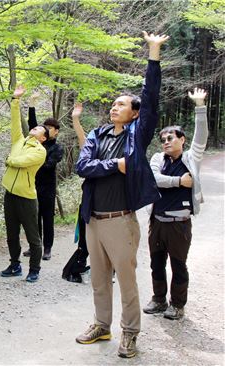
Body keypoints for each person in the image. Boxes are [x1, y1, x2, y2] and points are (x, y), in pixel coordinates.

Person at [74, 32, 169, 358]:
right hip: (93, 220)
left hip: (120, 220)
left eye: (122, 105)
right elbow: (82, 166)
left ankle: (130, 334)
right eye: (113, 104)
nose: (115, 108)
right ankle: (102, 325)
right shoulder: (98, 135)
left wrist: (153, 54)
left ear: (135, 114)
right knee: (99, 279)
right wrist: (115, 164)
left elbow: (151, 95)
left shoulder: (137, 135)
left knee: (126, 281)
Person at [143, 88, 208, 320]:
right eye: (163, 139)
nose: (166, 142)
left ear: (182, 140)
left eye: (170, 138)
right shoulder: (157, 159)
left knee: (178, 266)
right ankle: (158, 299)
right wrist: (179, 181)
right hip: (157, 222)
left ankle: (177, 304)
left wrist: (200, 106)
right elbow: (154, 180)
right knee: (156, 264)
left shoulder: (191, 158)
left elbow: (201, 136)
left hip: (179, 224)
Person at [0, 85, 47, 283]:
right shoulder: (19, 140)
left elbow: (22, 162)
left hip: (27, 198)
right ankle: (14, 265)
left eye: (37, 129)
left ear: (43, 138)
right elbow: (15, 122)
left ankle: (34, 269)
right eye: (34, 127)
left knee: (32, 236)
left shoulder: (40, 151)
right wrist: (16, 100)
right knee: (11, 234)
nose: (33, 129)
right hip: (10, 194)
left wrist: (10, 160)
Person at [23, 92, 64, 260]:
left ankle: (47, 249)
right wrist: (31, 105)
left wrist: (33, 161)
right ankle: (35, 247)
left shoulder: (57, 148)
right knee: (33, 218)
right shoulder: (37, 142)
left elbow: (49, 165)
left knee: (47, 218)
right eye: (45, 127)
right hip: (32, 185)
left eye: (50, 128)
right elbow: (32, 124)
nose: (46, 129)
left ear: (56, 132)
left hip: (47, 188)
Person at [62, 102, 90, 283]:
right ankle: (76, 270)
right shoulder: (92, 156)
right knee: (85, 243)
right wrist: (75, 119)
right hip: (89, 204)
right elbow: (83, 142)